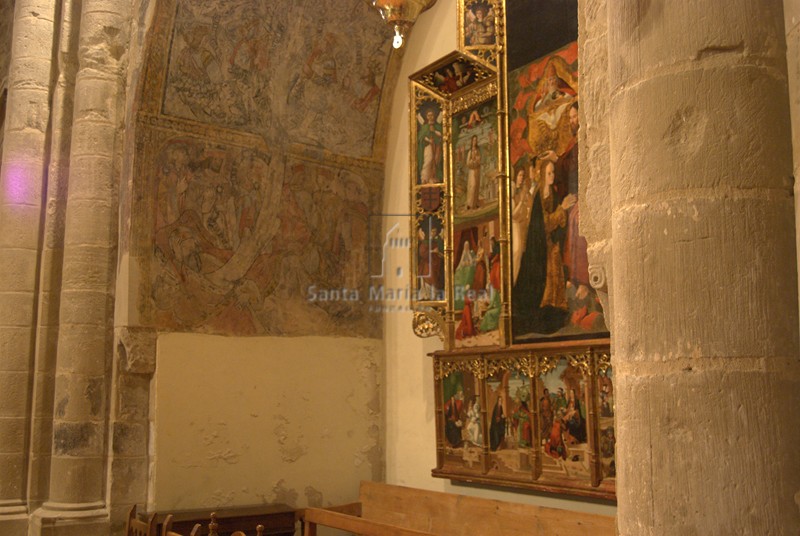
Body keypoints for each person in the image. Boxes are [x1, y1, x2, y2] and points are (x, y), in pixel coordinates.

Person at [418, 109, 443, 184]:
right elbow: (422, 137)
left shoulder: (437, 126)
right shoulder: (425, 127)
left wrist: (434, 131)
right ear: (426, 116)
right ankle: (425, 178)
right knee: (429, 160)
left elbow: (441, 135)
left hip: (437, 146)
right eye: (429, 115)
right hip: (428, 146)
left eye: (432, 115)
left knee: (435, 161)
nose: (430, 117)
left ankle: (433, 177)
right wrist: (429, 140)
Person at [465, 135, 481, 209]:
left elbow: (479, 160)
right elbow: (468, 162)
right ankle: (470, 203)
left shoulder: (477, 151)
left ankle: (475, 203)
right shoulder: (470, 152)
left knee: (476, 186)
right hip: (472, 171)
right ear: (472, 142)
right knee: (472, 186)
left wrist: (477, 161)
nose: (475, 142)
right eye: (474, 140)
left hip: (477, 170)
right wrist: (472, 162)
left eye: (476, 140)